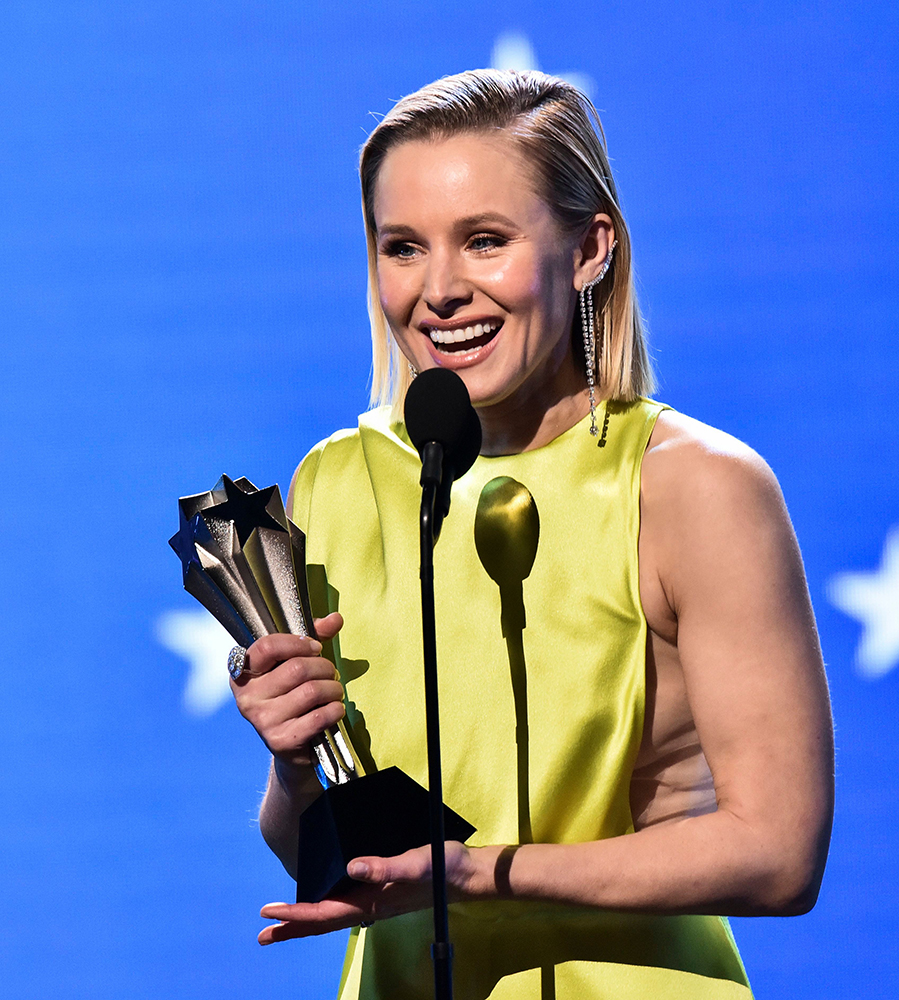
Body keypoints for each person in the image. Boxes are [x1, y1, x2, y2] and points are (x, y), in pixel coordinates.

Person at [231, 69, 834, 999]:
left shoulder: (697, 487)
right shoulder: (336, 481)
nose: (438, 291)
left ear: (591, 248)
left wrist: (475, 876)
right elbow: (316, 849)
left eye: (484, 241)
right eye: (402, 248)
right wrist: (293, 761)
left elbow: (780, 853)